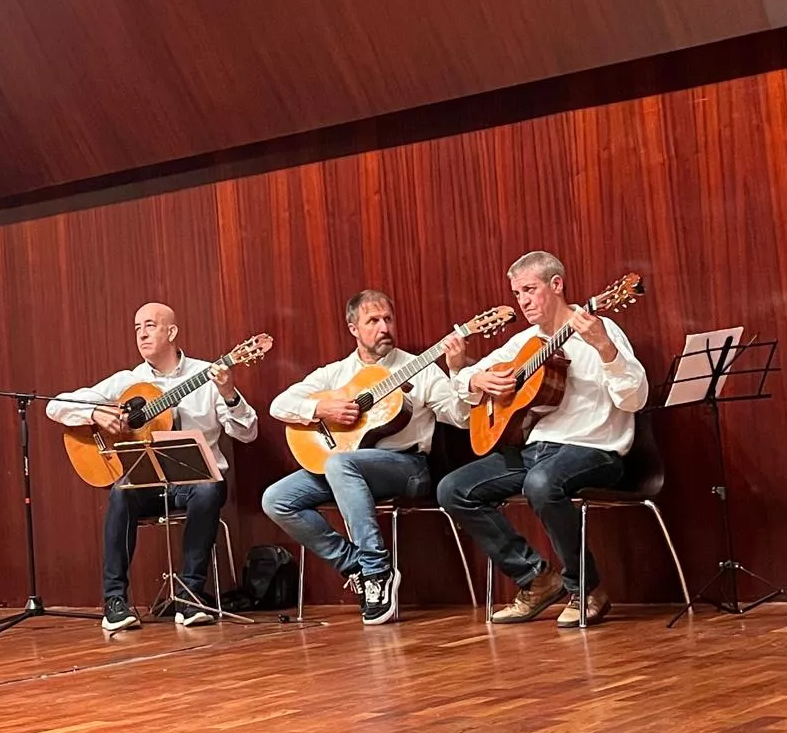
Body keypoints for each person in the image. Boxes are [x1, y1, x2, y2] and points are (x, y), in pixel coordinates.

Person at [438, 252, 647, 627]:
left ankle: (587, 588)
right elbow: (465, 381)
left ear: (556, 285)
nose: (523, 301)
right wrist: (473, 379)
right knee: (453, 488)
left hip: (595, 449)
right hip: (535, 451)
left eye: (530, 290)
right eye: (518, 293)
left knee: (542, 482)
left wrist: (605, 349)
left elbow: (635, 398)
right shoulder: (523, 343)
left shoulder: (601, 329)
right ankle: (536, 579)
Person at [46, 303, 258, 630]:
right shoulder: (129, 381)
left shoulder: (208, 374)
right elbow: (55, 406)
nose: (141, 334)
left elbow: (247, 433)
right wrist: (94, 415)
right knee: (121, 492)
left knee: (209, 488)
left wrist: (229, 394)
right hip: (148, 482)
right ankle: (115, 600)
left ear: (171, 332)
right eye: (136, 328)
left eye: (150, 325)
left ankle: (189, 595)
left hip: (196, 481)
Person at [262, 290, 469, 624]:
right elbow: (278, 406)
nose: (384, 327)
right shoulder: (336, 373)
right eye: (373, 321)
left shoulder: (419, 367)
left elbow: (462, 418)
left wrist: (457, 371)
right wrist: (320, 408)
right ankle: (355, 564)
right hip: (345, 468)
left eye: (388, 319)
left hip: (407, 467)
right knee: (277, 498)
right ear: (353, 328)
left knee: (340, 464)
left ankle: (376, 572)